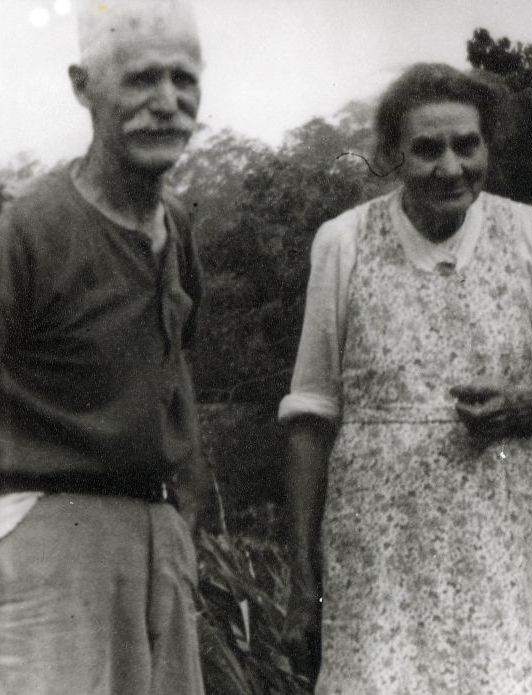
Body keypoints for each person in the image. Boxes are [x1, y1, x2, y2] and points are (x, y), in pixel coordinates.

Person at [280, 62, 532, 694]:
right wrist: (301, 583)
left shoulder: (527, 230)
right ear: (392, 156)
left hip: (503, 542)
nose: (451, 168)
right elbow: (309, 417)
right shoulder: (343, 243)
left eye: (467, 145)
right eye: (427, 149)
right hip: (379, 553)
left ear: (488, 146)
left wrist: (522, 409)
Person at [0, 1, 206, 693]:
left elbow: (173, 367)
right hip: (46, 538)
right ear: (84, 86)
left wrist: (184, 520)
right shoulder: (28, 232)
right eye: (142, 79)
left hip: (159, 536)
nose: (167, 103)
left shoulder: (174, 222)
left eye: (185, 79)